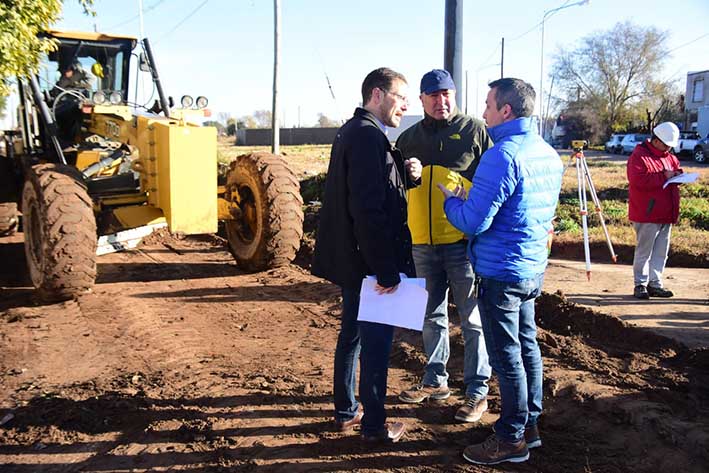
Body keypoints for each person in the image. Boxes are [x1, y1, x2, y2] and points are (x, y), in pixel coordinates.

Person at [439, 78, 563, 465]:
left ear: (506, 110)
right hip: (529, 268)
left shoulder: (502, 155)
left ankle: (510, 439)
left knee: (506, 355)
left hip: (500, 271)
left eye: (489, 105)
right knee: (527, 346)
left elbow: (474, 222)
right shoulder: (546, 152)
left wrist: (452, 204)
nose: (484, 112)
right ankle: (529, 425)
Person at [311, 67, 422, 443]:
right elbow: (368, 210)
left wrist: (404, 174)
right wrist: (385, 270)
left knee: (353, 336)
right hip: (369, 263)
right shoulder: (367, 137)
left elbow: (369, 189)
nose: (405, 107)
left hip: (356, 259)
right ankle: (374, 426)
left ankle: (346, 412)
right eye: (401, 98)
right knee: (375, 345)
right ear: (377, 95)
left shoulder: (356, 132)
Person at [395, 69, 492, 423]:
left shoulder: (473, 132)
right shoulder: (408, 138)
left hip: (462, 242)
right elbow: (396, 187)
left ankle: (477, 390)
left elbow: (490, 182)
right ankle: (436, 381)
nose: (442, 101)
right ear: (421, 100)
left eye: (447, 94)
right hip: (422, 242)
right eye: (433, 95)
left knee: (472, 319)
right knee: (431, 315)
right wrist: (409, 174)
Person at [627, 122, 683, 300]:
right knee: (644, 251)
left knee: (660, 251)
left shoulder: (669, 157)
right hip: (647, 213)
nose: (668, 148)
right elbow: (638, 181)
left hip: (666, 212)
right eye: (666, 144)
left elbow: (675, 170)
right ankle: (640, 284)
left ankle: (655, 283)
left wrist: (678, 175)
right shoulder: (639, 156)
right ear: (656, 141)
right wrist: (663, 177)